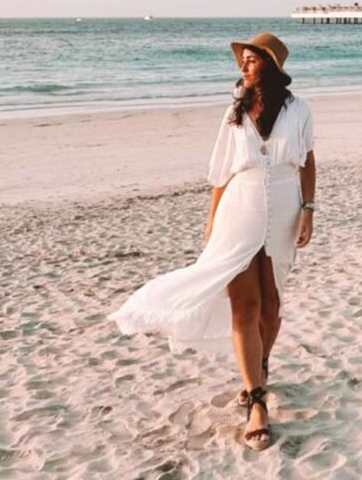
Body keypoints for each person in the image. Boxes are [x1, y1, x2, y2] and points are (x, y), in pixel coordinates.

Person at [109, 32, 316, 452]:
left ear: (271, 66)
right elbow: (221, 172)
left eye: (252, 59)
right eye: (243, 59)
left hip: (283, 207)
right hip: (238, 207)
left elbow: (308, 158)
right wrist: (211, 220)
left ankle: (259, 367)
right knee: (245, 303)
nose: (243, 65)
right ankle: (256, 400)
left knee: (272, 303)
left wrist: (309, 208)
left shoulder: (299, 109)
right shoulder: (234, 112)